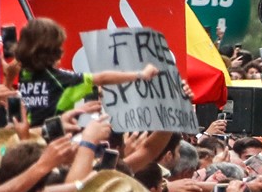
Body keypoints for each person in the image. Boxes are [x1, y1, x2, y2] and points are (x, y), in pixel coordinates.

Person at [13, 17, 159, 126]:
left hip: (21, 140)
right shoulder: (61, 80)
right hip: (52, 143)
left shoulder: (19, 74)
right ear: (54, 51)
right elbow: (102, 78)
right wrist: (141, 74)